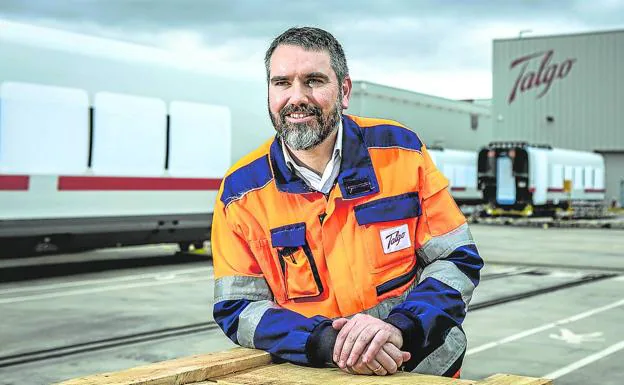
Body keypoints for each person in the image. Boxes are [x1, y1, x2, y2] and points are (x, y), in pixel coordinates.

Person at [212, 26, 483, 378]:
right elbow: (238, 307)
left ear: (344, 91)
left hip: (420, 370)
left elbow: (456, 259)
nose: (297, 97)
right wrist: (327, 343)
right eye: (282, 83)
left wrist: (400, 329)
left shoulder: (401, 151)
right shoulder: (241, 192)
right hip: (319, 373)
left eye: (313, 80)